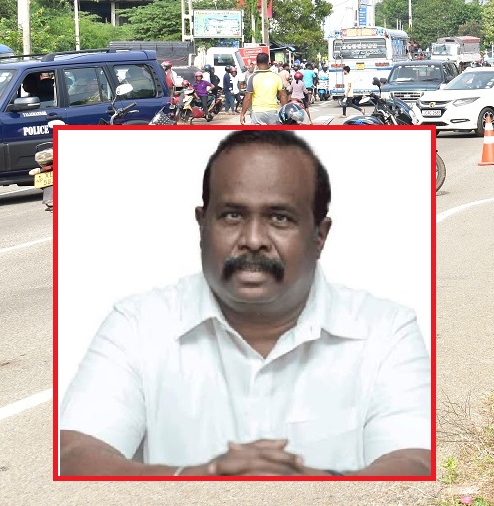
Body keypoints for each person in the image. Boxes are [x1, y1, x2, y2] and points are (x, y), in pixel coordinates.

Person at [59, 131, 431, 477]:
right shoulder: (138, 324)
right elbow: (77, 453)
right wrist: (196, 480)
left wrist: (312, 493)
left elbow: (412, 459)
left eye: (279, 218)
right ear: (202, 225)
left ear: (320, 235)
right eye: (233, 215)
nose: (253, 240)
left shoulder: (386, 330)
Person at [240, 53, 287, 125]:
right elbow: (283, 95)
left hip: (257, 113)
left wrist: (242, 114)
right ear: (268, 62)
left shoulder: (252, 77)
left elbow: (248, 98)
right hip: (272, 112)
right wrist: (284, 111)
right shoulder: (276, 77)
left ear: (257, 63)